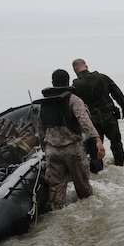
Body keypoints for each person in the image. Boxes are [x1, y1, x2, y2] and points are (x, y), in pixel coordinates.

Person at [38, 69, 105, 210]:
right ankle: (90, 213)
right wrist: (97, 140)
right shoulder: (73, 99)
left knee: (56, 189)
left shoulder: (44, 103)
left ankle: (58, 211)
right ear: (68, 82)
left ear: (52, 83)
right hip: (72, 150)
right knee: (83, 188)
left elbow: (41, 128)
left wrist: (44, 148)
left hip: (52, 151)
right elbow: (84, 121)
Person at [72, 59, 124, 171]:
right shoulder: (102, 77)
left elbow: (74, 107)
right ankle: (121, 167)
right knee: (117, 144)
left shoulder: (76, 86)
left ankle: (98, 174)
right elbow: (117, 94)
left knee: (95, 152)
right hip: (109, 117)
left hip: (92, 122)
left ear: (75, 71)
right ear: (86, 66)